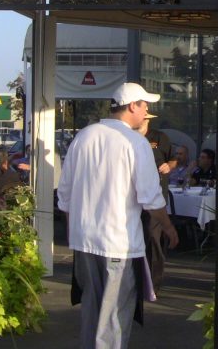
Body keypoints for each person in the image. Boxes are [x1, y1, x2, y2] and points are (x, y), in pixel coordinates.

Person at [58, 82, 179, 349]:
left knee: (92, 308)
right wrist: (168, 226)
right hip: (118, 243)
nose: (147, 110)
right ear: (133, 106)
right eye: (145, 105)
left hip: (84, 241)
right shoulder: (135, 142)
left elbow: (64, 195)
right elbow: (150, 197)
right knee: (114, 316)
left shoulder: (84, 136)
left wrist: (72, 232)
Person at [135, 114, 173, 293]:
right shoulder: (128, 137)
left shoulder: (159, 137)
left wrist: (169, 166)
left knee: (152, 237)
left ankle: (153, 284)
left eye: (145, 118)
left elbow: (173, 158)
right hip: (132, 198)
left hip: (156, 195)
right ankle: (134, 281)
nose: (142, 120)